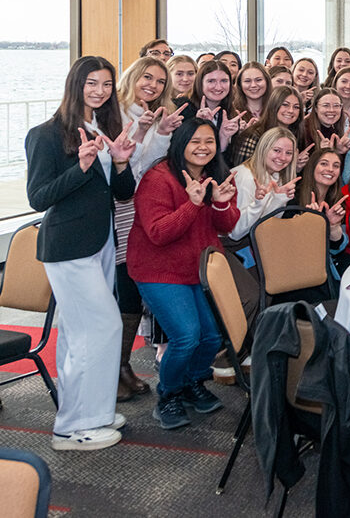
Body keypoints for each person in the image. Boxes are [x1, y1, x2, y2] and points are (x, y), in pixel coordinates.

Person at [27, 56, 138, 450]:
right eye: (92, 83)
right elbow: (39, 197)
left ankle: (93, 412)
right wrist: (82, 166)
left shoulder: (104, 127)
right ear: (76, 84)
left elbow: (123, 194)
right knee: (103, 327)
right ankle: (74, 428)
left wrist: (121, 162)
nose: (100, 90)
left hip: (102, 241)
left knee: (79, 335)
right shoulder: (46, 134)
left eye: (107, 84)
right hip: (68, 247)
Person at [127, 117, 238, 430]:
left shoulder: (216, 174)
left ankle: (191, 383)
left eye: (209, 142)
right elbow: (158, 233)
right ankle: (169, 395)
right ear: (180, 144)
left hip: (198, 269)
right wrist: (192, 205)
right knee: (186, 336)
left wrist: (219, 205)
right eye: (195, 142)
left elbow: (227, 224)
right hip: (158, 269)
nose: (203, 148)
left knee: (213, 335)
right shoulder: (157, 178)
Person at [113, 56, 184, 402]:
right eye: (147, 77)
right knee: (117, 286)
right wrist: (141, 131)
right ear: (133, 76)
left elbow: (151, 165)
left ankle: (121, 364)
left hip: (140, 205)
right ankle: (115, 367)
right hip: (117, 206)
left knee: (129, 285)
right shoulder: (116, 112)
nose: (152, 85)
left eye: (159, 81)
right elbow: (126, 163)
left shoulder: (158, 115)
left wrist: (162, 132)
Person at [227, 128, 300, 242]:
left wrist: (278, 200)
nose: (283, 158)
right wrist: (258, 204)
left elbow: (266, 228)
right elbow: (236, 233)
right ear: (263, 149)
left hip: (256, 243)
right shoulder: (246, 177)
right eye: (277, 150)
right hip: (229, 248)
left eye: (288, 153)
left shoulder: (277, 177)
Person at [293, 148, 350, 276]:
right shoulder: (293, 199)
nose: (330, 169)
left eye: (336, 166)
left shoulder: (336, 201)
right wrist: (307, 224)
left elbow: (337, 250)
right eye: (324, 163)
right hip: (300, 272)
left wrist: (334, 227)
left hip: (328, 267)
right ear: (312, 167)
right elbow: (288, 247)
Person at [175, 59, 250, 152]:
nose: (218, 87)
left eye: (224, 81)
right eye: (211, 81)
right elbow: (176, 150)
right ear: (200, 82)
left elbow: (224, 161)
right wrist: (196, 125)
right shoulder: (182, 107)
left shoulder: (230, 113)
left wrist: (226, 137)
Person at [229, 86, 305, 167]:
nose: (291, 111)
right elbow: (242, 171)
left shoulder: (296, 135)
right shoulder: (254, 135)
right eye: (285, 105)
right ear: (273, 105)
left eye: (296, 107)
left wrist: (295, 167)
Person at [299, 88, 350, 156]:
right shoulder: (302, 130)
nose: (331, 110)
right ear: (315, 108)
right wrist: (320, 153)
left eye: (336, 106)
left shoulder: (335, 132)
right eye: (326, 105)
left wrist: (340, 152)